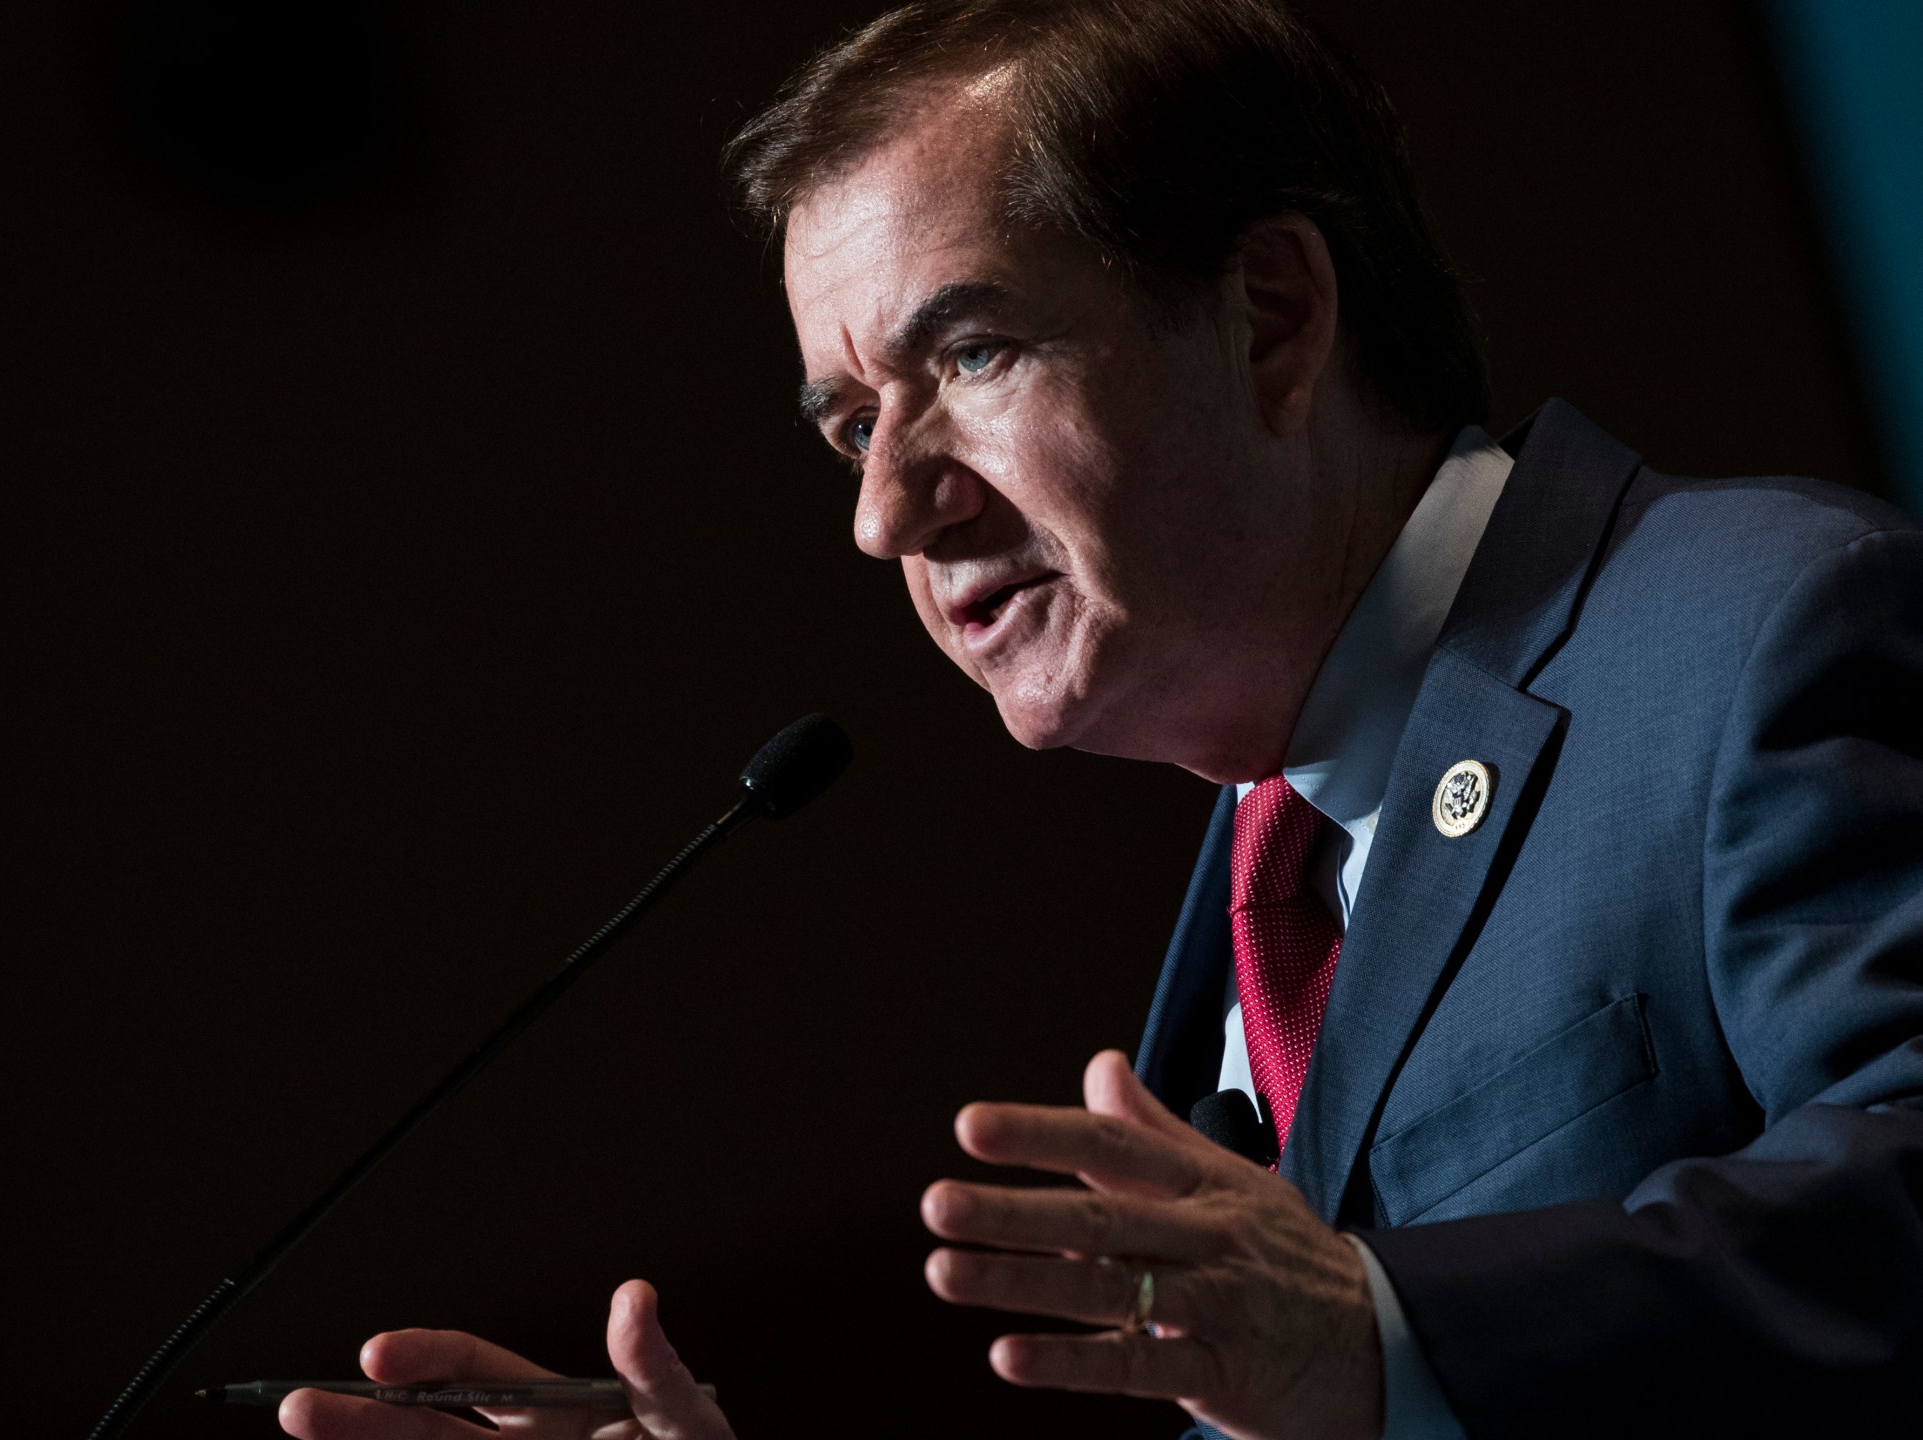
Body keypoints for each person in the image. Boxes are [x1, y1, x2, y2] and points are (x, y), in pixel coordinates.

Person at [279, 2, 1923, 1436]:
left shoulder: (1766, 623)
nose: (886, 514)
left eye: (972, 352)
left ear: (1273, 317)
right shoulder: (1262, 884)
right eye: (852, 422)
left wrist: (1392, 1333)